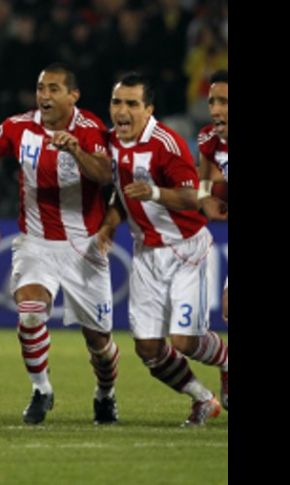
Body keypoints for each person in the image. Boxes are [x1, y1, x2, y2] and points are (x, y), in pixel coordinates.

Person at [0, 63, 119, 425]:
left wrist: (76, 151)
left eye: (53, 89)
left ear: (73, 96)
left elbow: (106, 175)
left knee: (100, 345)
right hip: (36, 242)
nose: (44, 96)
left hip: (85, 247)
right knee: (30, 312)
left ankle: (105, 394)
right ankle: (41, 389)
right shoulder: (18, 127)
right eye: (40, 88)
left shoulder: (91, 129)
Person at [98, 73, 229, 426]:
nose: (121, 111)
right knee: (149, 350)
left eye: (131, 104)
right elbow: (120, 195)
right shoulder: (111, 143)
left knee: (185, 341)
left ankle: (226, 360)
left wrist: (154, 192)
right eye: (116, 102)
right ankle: (203, 399)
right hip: (145, 253)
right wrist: (110, 224)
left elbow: (192, 198)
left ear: (148, 109)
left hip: (185, 250)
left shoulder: (166, 143)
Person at [196, 69, 228, 411]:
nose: (216, 109)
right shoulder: (209, 140)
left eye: (224, 103)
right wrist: (206, 201)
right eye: (212, 102)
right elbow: (203, 183)